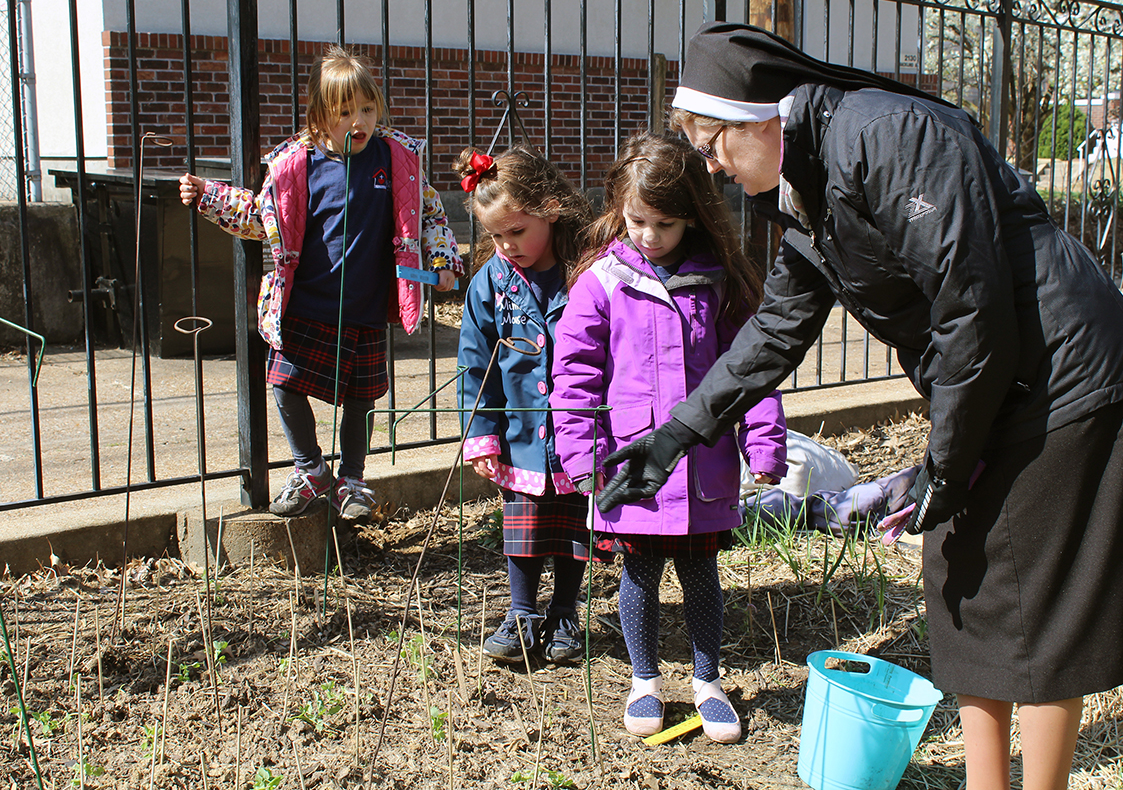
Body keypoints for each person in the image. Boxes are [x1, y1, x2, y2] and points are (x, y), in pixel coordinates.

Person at [599, 22, 1123, 788]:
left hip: (1063, 379)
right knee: (965, 587)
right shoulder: (808, 185)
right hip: (995, 386)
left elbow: (971, 308)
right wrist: (672, 438)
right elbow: (775, 332)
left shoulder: (885, 138)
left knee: (1040, 611)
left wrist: (945, 463)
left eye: (712, 143)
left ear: (764, 115)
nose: (710, 168)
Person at [551, 132, 787, 742]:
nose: (650, 235)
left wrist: (763, 443)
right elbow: (574, 376)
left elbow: (751, 370)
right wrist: (581, 454)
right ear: (619, 211)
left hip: (703, 462)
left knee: (703, 575)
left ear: (695, 218)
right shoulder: (602, 283)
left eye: (667, 223)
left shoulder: (720, 283)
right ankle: (644, 681)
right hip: (632, 464)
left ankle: (708, 681)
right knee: (639, 575)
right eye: (638, 221)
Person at [179, 46, 462, 523]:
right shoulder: (298, 166)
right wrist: (209, 196)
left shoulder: (395, 161)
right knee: (284, 383)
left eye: (367, 109)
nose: (360, 120)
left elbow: (428, 213)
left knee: (361, 396)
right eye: (345, 112)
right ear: (319, 119)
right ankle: (311, 470)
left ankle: (352, 480)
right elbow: (259, 216)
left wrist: (443, 259)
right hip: (306, 303)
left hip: (366, 306)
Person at [453, 145, 599, 665]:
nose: (506, 246)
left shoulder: (587, 270)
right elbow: (477, 364)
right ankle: (520, 611)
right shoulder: (490, 283)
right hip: (520, 435)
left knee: (572, 527)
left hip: (579, 434)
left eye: (517, 232)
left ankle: (563, 611)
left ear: (551, 210)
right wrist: (481, 434)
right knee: (525, 523)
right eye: (495, 235)